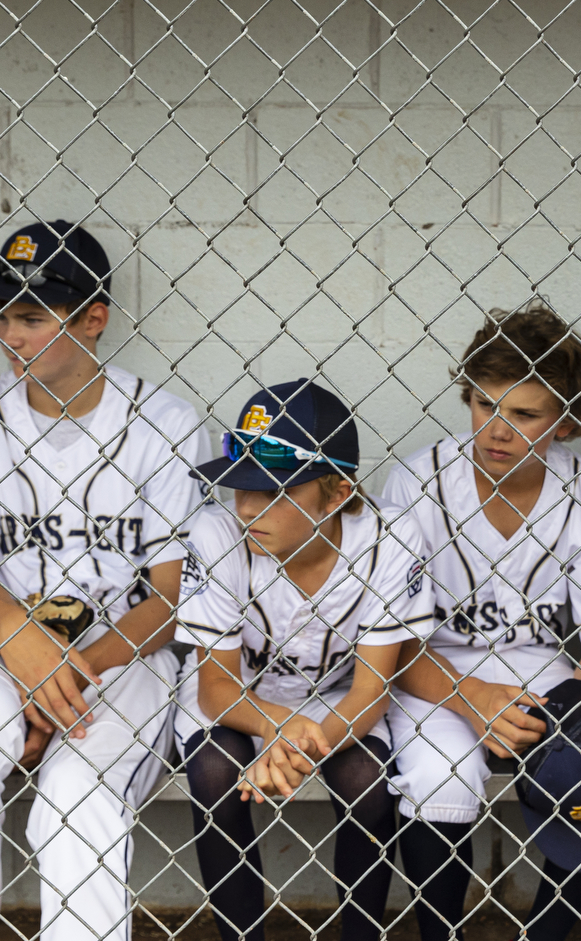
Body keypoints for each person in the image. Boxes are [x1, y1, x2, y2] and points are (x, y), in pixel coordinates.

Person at [0, 221, 204, 941]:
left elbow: (171, 596)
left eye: (33, 317)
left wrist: (66, 673)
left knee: (74, 796)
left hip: (123, 654)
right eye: (4, 315)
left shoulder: (164, 421)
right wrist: (23, 647)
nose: (11, 334)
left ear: (94, 319)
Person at [381, 303, 581, 941]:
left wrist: (567, 715)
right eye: (484, 404)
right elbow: (392, 647)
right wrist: (474, 700)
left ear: (567, 423)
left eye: (524, 414)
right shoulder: (417, 482)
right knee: (443, 774)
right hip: (434, 671)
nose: (496, 429)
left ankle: (544, 933)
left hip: (548, 672)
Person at [174, 379, 433, 941]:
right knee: (215, 772)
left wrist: (304, 739)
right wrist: (281, 726)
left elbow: (372, 691)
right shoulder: (217, 532)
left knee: (366, 778)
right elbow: (215, 688)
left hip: (341, 699)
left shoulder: (389, 537)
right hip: (241, 700)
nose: (247, 509)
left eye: (273, 494)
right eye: (242, 488)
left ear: (337, 494)